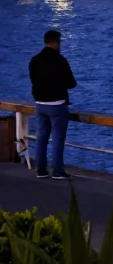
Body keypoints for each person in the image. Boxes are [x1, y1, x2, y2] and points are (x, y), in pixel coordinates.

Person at [28, 30, 77, 180]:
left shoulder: (34, 60)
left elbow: (33, 80)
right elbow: (71, 83)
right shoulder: (60, 60)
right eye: (60, 42)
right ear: (55, 42)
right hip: (57, 104)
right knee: (57, 138)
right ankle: (57, 171)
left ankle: (41, 169)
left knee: (42, 136)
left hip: (40, 103)